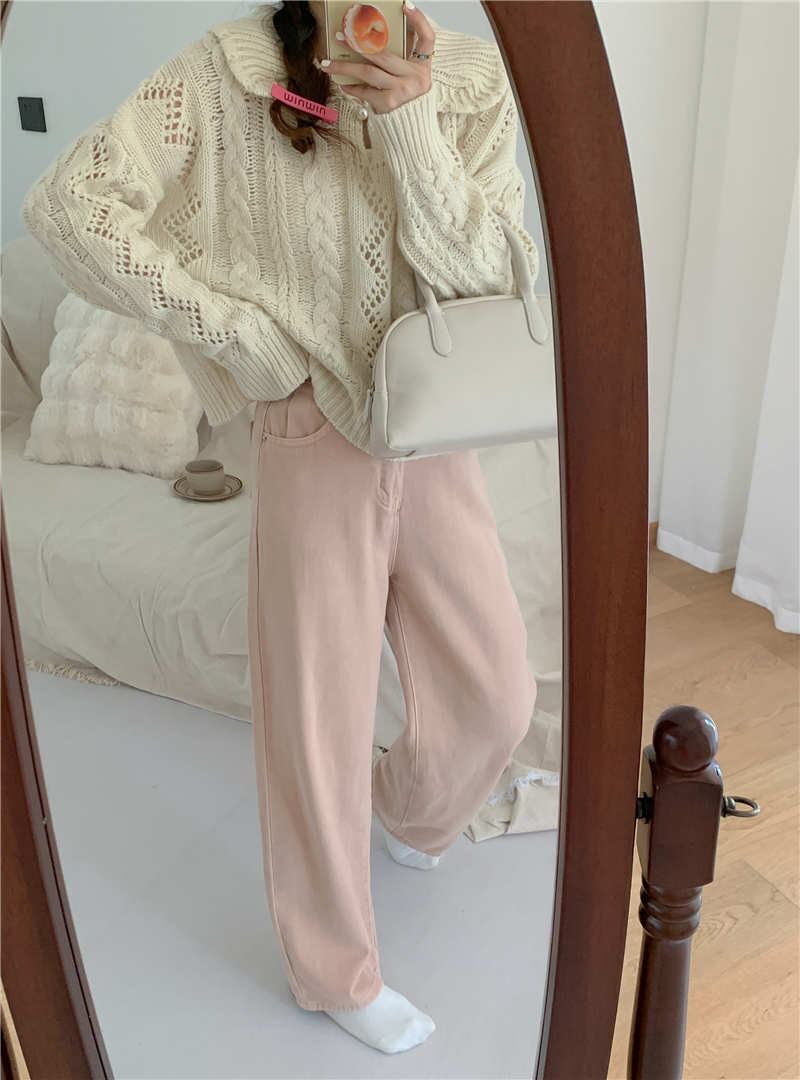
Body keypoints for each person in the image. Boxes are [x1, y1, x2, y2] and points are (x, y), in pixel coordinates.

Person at [21, 0, 540, 1055]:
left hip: (434, 423)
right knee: (316, 719)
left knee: (496, 693)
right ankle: (332, 968)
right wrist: (238, 336)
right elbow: (70, 204)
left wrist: (409, 122)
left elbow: (494, 276)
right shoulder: (227, 69)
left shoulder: (476, 81)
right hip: (310, 428)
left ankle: (409, 812)